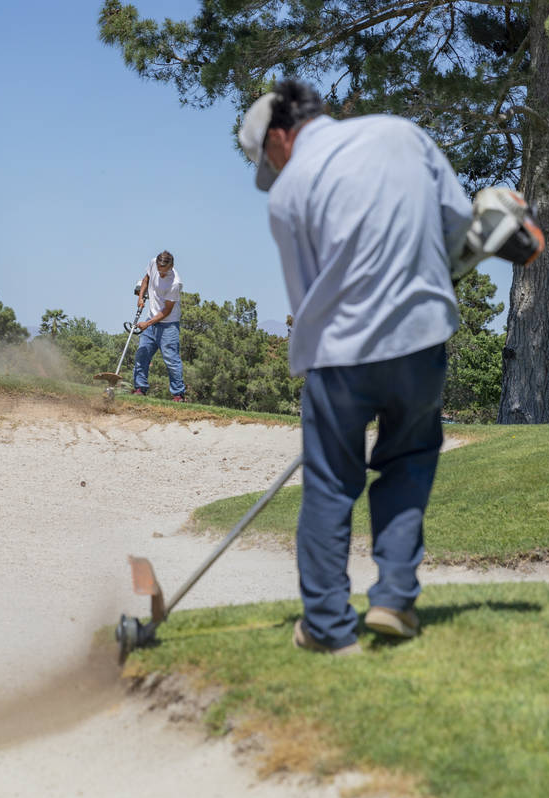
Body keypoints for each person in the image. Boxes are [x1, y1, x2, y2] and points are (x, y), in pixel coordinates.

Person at [238, 79, 472, 655]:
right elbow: (459, 227)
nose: (269, 168)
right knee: (409, 462)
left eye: (265, 157)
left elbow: (306, 298)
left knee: (330, 486)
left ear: (278, 136)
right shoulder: (401, 133)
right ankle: (393, 599)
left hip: (341, 354)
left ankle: (327, 628)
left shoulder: (288, 193)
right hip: (421, 341)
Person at [132, 250, 187, 402]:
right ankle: (140, 388)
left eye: (164, 272)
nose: (161, 274)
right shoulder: (152, 263)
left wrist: (146, 324)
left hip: (168, 325)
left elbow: (167, 311)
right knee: (142, 355)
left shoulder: (175, 283)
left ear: (171, 266)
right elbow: (146, 279)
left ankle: (178, 395)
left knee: (171, 360)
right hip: (151, 320)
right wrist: (142, 296)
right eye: (159, 271)